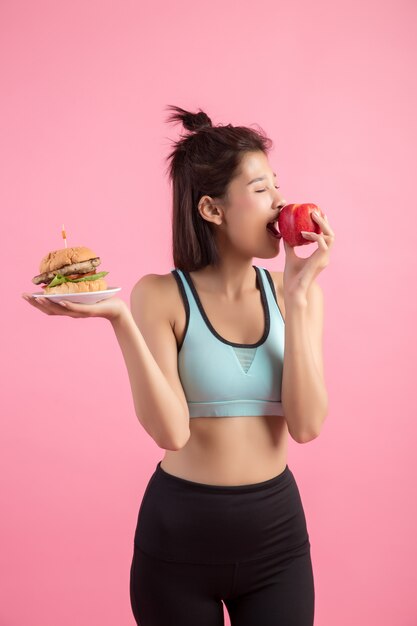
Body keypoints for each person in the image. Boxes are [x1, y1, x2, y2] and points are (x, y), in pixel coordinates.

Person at [22, 105, 335, 626]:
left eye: (277, 185)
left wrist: (299, 297)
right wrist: (120, 320)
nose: (282, 201)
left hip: (277, 540)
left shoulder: (295, 294)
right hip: (177, 542)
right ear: (211, 210)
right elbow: (171, 431)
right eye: (261, 189)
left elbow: (306, 425)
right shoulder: (160, 296)